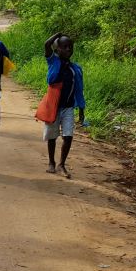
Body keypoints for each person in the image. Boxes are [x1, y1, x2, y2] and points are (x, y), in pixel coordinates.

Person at [43, 32, 86, 179]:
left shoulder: (76, 69)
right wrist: (58, 35)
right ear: (57, 50)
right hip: (54, 106)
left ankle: (62, 164)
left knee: (68, 136)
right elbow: (46, 44)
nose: (68, 49)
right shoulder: (53, 61)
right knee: (52, 136)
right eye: (64, 46)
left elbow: (79, 90)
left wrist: (81, 108)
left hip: (68, 107)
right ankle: (51, 162)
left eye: (70, 47)